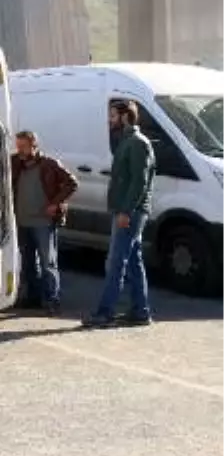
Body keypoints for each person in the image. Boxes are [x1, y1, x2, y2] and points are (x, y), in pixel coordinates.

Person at [84, 100, 156, 328]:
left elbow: (139, 182)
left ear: (125, 117)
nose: (109, 119)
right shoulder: (126, 141)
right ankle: (140, 312)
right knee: (134, 262)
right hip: (126, 209)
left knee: (115, 263)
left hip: (130, 212)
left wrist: (126, 210)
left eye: (113, 115)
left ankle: (105, 313)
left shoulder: (136, 143)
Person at [11, 131, 78, 314]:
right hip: (22, 221)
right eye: (18, 146)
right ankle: (31, 297)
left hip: (43, 222)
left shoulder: (49, 164)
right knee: (27, 262)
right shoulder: (14, 163)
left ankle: (51, 299)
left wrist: (55, 203)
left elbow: (72, 183)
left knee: (48, 262)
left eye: (23, 147)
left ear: (34, 146)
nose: (20, 151)